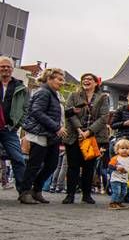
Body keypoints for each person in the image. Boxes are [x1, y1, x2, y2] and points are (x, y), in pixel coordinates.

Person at [19, 68, 68, 204]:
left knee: (51, 164)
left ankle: (37, 189)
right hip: (40, 133)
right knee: (34, 164)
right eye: (59, 79)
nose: (62, 82)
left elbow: (53, 112)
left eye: (62, 79)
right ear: (49, 78)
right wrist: (56, 126)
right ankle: (25, 191)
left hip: (51, 135)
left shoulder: (55, 95)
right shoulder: (44, 92)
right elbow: (37, 111)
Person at [62, 73, 110, 204]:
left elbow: (104, 117)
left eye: (90, 79)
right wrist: (79, 129)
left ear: (96, 83)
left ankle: (86, 194)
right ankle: (70, 194)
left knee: (89, 167)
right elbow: (69, 113)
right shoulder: (74, 96)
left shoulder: (102, 98)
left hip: (93, 137)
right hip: (75, 136)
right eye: (84, 79)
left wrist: (89, 132)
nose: (86, 81)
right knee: (73, 166)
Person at [0, 55, 29, 195]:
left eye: (8, 66)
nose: (5, 69)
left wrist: (17, 125)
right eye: (2, 66)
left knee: (18, 159)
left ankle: (23, 192)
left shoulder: (20, 87)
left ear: (12, 69)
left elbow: (26, 108)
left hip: (9, 129)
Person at [108, 138, 129, 210]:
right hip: (115, 178)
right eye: (122, 148)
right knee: (117, 191)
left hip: (125, 179)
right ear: (117, 149)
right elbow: (110, 166)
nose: (125, 150)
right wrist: (116, 168)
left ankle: (118, 202)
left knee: (124, 192)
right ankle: (113, 203)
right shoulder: (116, 158)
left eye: (127, 148)